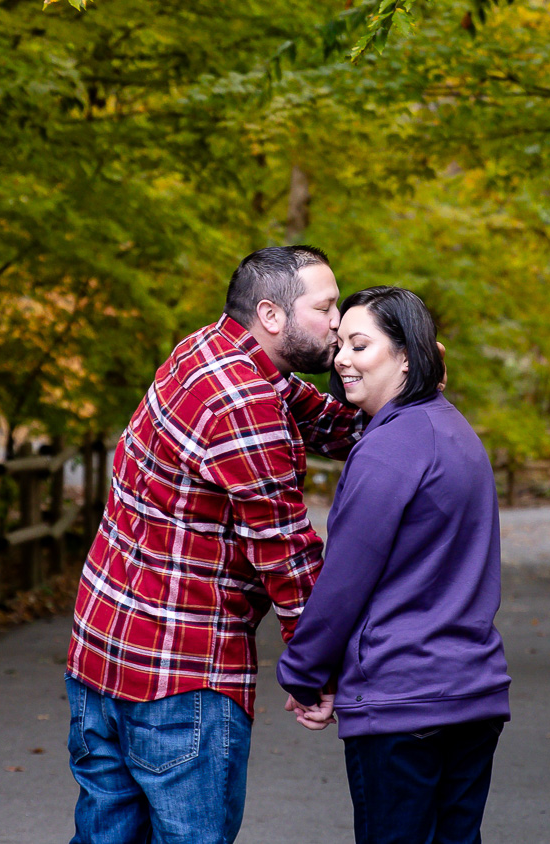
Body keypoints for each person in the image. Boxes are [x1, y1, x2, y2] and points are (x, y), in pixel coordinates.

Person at [64, 245, 364, 844]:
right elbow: (286, 551)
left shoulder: (209, 349)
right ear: (272, 315)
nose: (337, 322)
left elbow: (326, 420)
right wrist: (316, 672)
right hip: (179, 675)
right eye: (326, 307)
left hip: (100, 651)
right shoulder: (244, 400)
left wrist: (401, 400)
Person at [276, 286, 509, 844]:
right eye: (340, 346)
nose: (341, 359)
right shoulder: (455, 433)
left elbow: (344, 582)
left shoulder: (390, 448)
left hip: (403, 700)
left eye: (360, 345)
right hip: (471, 694)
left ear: (408, 354)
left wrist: (305, 674)